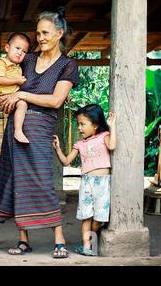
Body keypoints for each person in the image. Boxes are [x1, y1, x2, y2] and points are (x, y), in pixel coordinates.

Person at [0, 7, 80, 259]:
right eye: (38, 33)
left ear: (59, 33)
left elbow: (55, 101)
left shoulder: (67, 65)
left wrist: (21, 95)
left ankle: (59, 239)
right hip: (15, 128)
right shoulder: (28, 59)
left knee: (43, 181)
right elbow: (4, 85)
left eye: (45, 33)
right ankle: (23, 240)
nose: (40, 38)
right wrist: (7, 99)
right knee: (18, 182)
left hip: (41, 130)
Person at [53, 104, 116, 256]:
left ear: (95, 125)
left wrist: (112, 127)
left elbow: (112, 146)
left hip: (102, 183)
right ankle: (87, 246)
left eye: (83, 124)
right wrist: (58, 149)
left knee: (99, 219)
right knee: (86, 216)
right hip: (87, 182)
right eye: (78, 124)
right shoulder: (79, 144)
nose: (79, 128)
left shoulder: (104, 136)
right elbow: (66, 161)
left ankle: (89, 240)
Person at [0, 33, 31, 143]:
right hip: (4, 96)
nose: (20, 53)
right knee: (23, 104)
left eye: (24, 51)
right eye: (17, 48)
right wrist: (17, 81)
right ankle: (18, 131)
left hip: (13, 96)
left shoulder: (18, 66)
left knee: (23, 105)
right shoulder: (1, 64)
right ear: (7, 48)